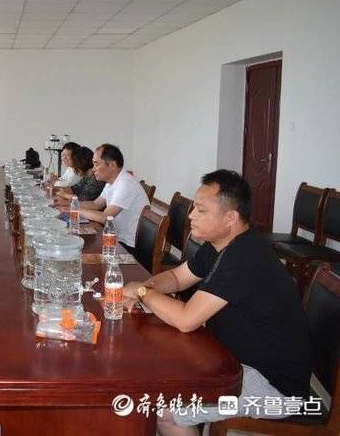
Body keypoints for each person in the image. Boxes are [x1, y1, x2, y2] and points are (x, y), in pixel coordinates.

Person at [122, 170, 310, 436]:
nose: (191, 216)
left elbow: (187, 320)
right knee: (155, 370)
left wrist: (142, 291)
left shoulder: (244, 256)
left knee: (164, 411)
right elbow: (177, 278)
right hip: (234, 362)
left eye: (201, 210)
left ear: (230, 217)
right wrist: (149, 287)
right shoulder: (220, 245)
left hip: (274, 390)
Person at [79, 144, 148, 250]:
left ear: (112, 165)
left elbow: (106, 218)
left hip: (129, 245)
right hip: (116, 236)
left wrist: (76, 210)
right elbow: (95, 204)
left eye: (96, 164)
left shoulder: (125, 183)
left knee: (84, 247)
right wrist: (72, 204)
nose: (93, 169)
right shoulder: (111, 182)